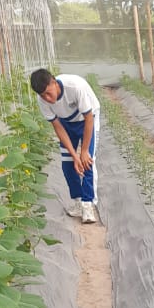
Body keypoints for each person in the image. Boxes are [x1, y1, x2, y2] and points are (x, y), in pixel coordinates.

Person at [28, 69, 99, 223]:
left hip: (88, 118)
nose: (47, 99)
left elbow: (89, 118)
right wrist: (74, 155)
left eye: (48, 93)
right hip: (66, 123)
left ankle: (88, 204)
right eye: (43, 96)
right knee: (67, 164)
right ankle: (78, 201)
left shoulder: (75, 87)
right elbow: (58, 127)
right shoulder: (42, 101)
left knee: (87, 160)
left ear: (54, 82)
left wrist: (83, 151)